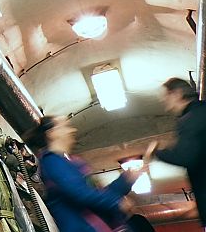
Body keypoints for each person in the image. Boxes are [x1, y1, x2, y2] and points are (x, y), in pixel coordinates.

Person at [29, 115, 143, 232]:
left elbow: (94, 193)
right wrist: (116, 202)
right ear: (52, 133)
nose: (73, 130)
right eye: (66, 126)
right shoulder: (52, 161)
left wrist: (125, 181)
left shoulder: (69, 161)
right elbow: (80, 193)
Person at [148, 77, 206, 225]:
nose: (165, 103)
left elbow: (185, 157)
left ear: (177, 93)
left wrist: (156, 152)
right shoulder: (201, 111)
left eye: (166, 97)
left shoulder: (190, 119)